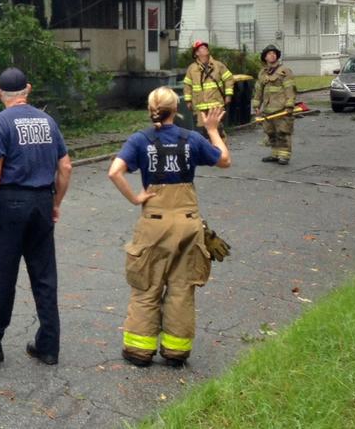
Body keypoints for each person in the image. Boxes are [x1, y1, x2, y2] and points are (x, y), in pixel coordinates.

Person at [107, 87, 231, 368]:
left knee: (147, 284)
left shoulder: (140, 140)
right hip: (188, 223)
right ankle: (176, 351)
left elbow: (114, 172)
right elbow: (224, 160)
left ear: (151, 108)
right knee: (182, 287)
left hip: (154, 223)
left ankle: (139, 350)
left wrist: (136, 198)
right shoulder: (192, 139)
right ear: (176, 109)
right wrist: (212, 130)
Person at [0, 67, 73, 365]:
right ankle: (48, 346)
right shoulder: (48, 121)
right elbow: (65, 167)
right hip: (42, 200)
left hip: (12, 203)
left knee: (4, 273)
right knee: (44, 275)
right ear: (27, 89)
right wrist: (55, 201)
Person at [252, 44, 296, 165]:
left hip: (281, 109)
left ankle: (284, 156)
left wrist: (289, 105)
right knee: (271, 132)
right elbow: (258, 90)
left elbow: (290, 89)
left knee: (283, 132)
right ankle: (275, 154)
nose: (272, 55)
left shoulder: (284, 71)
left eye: (274, 53)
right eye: (269, 53)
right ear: (265, 57)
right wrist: (256, 106)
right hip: (268, 110)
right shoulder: (263, 73)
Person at [183, 41, 234, 137]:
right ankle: (206, 151)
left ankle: (220, 151)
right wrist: (188, 101)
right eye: (201, 48)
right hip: (200, 108)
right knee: (203, 133)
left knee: (218, 131)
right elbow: (187, 85)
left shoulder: (218, 65)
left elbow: (229, 79)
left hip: (216, 106)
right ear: (196, 53)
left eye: (205, 47)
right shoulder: (192, 69)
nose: (205, 48)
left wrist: (228, 95)